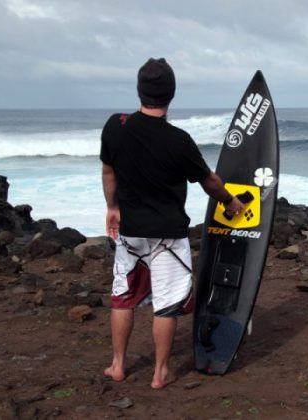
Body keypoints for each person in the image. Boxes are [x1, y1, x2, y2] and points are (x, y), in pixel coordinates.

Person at [101, 57, 244, 389]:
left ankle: (118, 366)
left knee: (123, 297)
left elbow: (108, 171)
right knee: (166, 305)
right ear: (172, 94)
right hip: (168, 236)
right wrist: (231, 202)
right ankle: (160, 372)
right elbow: (208, 182)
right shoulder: (179, 141)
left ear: (139, 90)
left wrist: (112, 207)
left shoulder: (114, 126)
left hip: (130, 233)